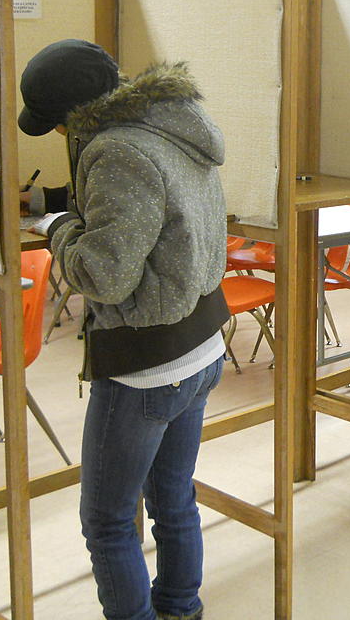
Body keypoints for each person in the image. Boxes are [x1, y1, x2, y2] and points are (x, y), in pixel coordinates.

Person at [19, 39, 228, 620]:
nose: (59, 136)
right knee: (174, 501)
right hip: (201, 340)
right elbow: (139, 217)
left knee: (108, 522)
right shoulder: (171, 124)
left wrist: (57, 227)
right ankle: (182, 608)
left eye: (57, 124)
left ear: (76, 114)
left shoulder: (117, 150)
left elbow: (103, 275)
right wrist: (66, 206)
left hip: (148, 365)